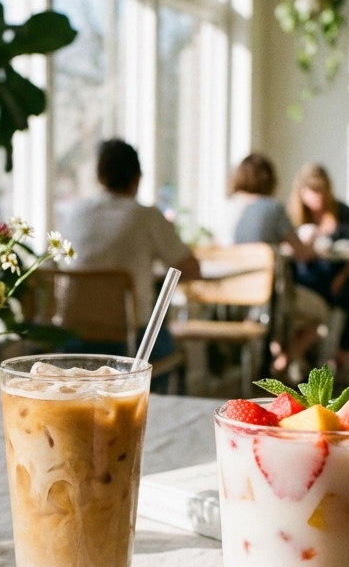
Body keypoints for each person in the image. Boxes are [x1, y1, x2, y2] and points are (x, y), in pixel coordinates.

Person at [54, 139, 200, 391]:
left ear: (99, 176)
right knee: (169, 344)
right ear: (137, 177)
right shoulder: (146, 216)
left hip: (72, 341)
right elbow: (191, 269)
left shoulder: (73, 214)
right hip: (131, 345)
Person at [225, 153, 329, 377]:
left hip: (230, 301)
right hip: (266, 300)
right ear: (269, 179)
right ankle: (280, 366)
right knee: (320, 313)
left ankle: (276, 363)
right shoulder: (272, 208)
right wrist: (312, 247)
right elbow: (301, 253)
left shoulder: (228, 207)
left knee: (284, 317)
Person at [286, 163, 349, 372]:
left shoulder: (343, 213)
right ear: (302, 193)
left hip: (337, 277)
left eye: (322, 191)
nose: (318, 198)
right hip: (305, 279)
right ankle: (294, 358)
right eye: (313, 192)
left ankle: (340, 356)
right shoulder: (294, 218)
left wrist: (342, 277)